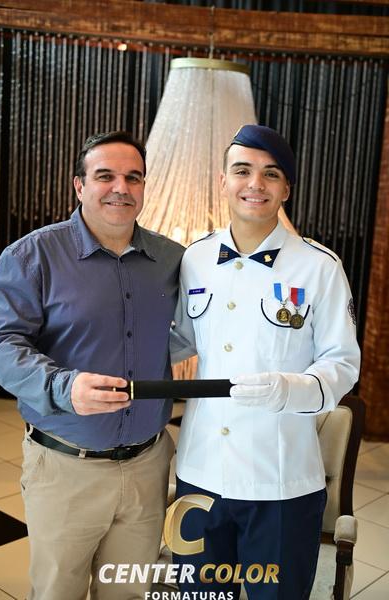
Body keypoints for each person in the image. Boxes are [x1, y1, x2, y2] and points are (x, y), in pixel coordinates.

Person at [0, 130, 184, 600]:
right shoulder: (32, 255)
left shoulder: (172, 260)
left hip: (148, 465)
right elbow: (0, 345)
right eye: (105, 176)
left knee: (128, 592)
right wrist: (63, 386)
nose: (121, 188)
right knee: (58, 592)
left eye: (133, 177)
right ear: (79, 186)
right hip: (65, 467)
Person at [170, 124, 360, 599]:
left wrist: (290, 389)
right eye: (242, 171)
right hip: (201, 472)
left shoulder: (319, 267)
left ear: (286, 189)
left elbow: (342, 363)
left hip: (281, 481)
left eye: (270, 174)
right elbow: (178, 341)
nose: (255, 183)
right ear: (223, 181)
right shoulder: (194, 258)